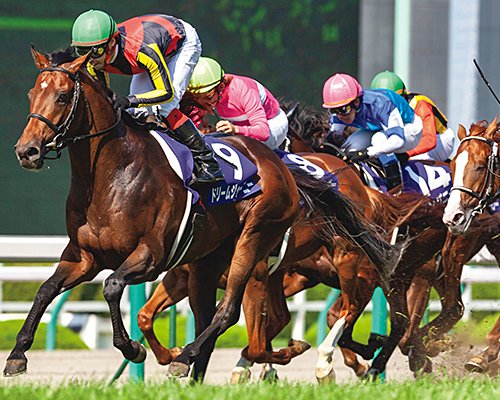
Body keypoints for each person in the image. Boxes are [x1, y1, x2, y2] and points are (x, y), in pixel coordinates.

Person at [70, 9, 223, 185]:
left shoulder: (141, 51)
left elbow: (166, 93)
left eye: (95, 51)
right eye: (82, 51)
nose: (89, 59)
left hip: (181, 44)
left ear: (111, 43)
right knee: (137, 112)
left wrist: (129, 100)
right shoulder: (93, 60)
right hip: (154, 46)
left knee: (165, 107)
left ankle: (208, 162)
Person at [322, 73, 423, 190]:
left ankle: (396, 185)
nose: (340, 116)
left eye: (344, 109)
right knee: (349, 146)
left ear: (356, 102)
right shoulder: (339, 114)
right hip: (376, 128)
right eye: (334, 110)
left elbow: (397, 141)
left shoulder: (380, 104)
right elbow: (334, 136)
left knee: (379, 139)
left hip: (408, 127)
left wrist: (368, 153)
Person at [182, 57, 289, 150]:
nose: (203, 102)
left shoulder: (243, 89)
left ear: (221, 87)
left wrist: (235, 129)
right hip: (238, 127)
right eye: (197, 97)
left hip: (271, 126)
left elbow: (263, 133)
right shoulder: (202, 97)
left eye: (208, 97)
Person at [370, 70, 455, 162]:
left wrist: (406, 153)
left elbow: (429, 140)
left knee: (414, 158)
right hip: (413, 138)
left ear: (402, 96)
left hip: (440, 140)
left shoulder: (420, 104)